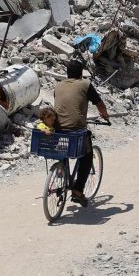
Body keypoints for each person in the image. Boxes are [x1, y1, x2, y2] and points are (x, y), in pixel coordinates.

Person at [53, 59, 109, 205]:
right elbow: (99, 103)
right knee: (87, 156)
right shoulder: (85, 84)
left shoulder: (58, 86)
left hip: (57, 128)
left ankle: (61, 169)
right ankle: (78, 190)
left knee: (64, 149)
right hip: (76, 128)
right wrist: (105, 116)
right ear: (81, 73)